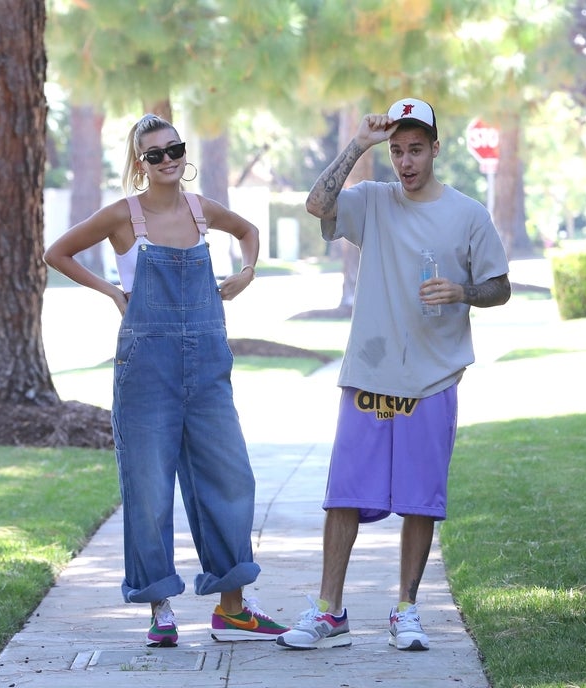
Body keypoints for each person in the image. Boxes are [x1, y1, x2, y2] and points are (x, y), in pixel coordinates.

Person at [44, 113, 288, 647]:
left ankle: (232, 609)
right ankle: (160, 608)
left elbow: (248, 232)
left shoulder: (202, 211)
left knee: (230, 478)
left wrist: (246, 273)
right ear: (140, 164)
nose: (168, 159)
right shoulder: (121, 217)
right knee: (149, 487)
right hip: (146, 371)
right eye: (154, 154)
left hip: (207, 370)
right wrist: (112, 292)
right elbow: (55, 252)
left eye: (173, 148)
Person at [277, 98, 510, 651]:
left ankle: (406, 610)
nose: (405, 162)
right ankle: (329, 611)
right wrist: (358, 144)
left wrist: (462, 291)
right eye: (397, 151)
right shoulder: (373, 201)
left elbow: (498, 286)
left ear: (435, 148)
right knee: (344, 495)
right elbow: (316, 205)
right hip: (369, 374)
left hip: (432, 378)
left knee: (419, 499)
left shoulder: (468, 213)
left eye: (415, 150)